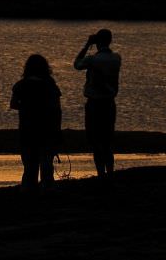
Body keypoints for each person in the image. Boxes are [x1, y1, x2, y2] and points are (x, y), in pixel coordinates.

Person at [9, 53, 62, 192]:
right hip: (47, 127)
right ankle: (47, 188)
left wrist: (27, 107)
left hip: (27, 127)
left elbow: (13, 104)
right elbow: (57, 108)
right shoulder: (50, 84)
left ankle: (28, 189)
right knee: (46, 162)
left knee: (29, 164)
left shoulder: (21, 85)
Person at [73, 28, 122, 177]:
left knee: (96, 140)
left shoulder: (93, 60)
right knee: (107, 140)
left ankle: (101, 173)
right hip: (109, 103)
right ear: (110, 40)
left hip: (94, 104)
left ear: (98, 41)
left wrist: (88, 44)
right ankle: (110, 172)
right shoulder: (117, 58)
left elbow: (77, 64)